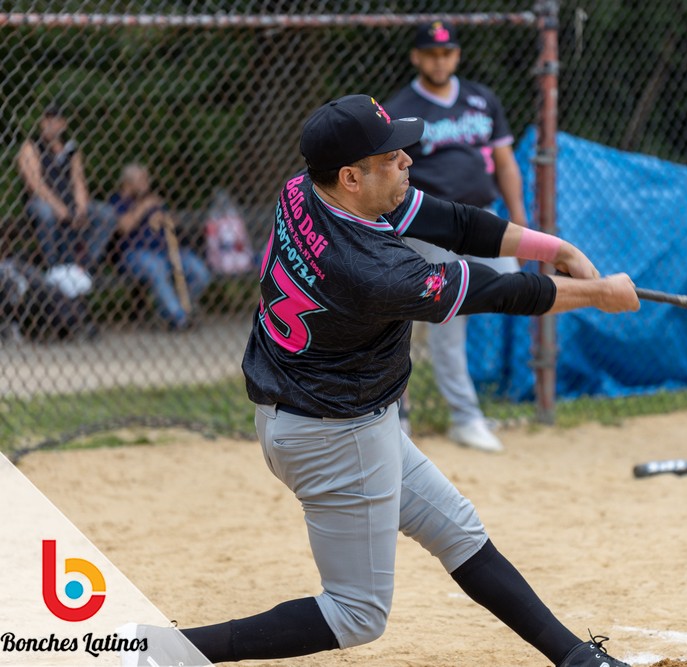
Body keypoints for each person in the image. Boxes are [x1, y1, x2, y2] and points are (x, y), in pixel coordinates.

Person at [119, 94, 636, 667]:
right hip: (335, 435)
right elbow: (499, 291)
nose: (408, 161)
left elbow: (454, 222)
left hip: (318, 414)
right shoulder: (375, 269)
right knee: (357, 613)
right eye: (391, 157)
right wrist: (599, 294)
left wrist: (556, 248)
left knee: (458, 531)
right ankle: (165, 651)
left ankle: (575, 658)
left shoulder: (303, 190)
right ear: (351, 176)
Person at [383, 20, 530, 453]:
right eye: (431, 53)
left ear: (457, 55)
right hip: (431, 227)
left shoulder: (482, 99)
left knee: (518, 287)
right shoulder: (400, 108)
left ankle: (492, 396)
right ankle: (462, 417)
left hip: (483, 219)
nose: (439, 61)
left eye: (446, 53)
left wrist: (521, 222)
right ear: (416, 57)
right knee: (446, 320)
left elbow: (505, 163)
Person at [16, 103, 117, 276]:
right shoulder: (31, 146)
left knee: (106, 214)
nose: (49, 124)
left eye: (55, 120)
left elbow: (78, 181)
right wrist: (58, 207)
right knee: (45, 212)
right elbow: (34, 183)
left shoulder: (71, 150)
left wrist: (81, 208)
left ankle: (84, 267)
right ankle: (53, 267)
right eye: (47, 120)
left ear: (63, 124)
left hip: (69, 200)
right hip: (42, 201)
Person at [109, 163, 211, 330]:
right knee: (156, 267)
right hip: (136, 253)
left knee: (200, 272)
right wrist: (144, 208)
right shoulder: (118, 201)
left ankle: (175, 309)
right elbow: (124, 226)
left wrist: (163, 218)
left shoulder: (154, 199)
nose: (147, 183)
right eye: (142, 180)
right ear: (127, 183)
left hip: (167, 251)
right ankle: (179, 318)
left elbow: (174, 222)